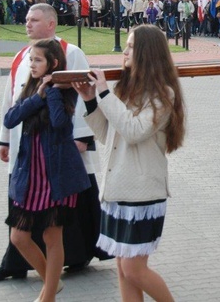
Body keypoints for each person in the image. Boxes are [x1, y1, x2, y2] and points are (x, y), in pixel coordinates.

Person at [0, 4, 109, 282]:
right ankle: (17, 264)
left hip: (61, 148)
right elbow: (11, 100)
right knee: (23, 209)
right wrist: (4, 139)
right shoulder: (21, 56)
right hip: (26, 149)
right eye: (27, 19)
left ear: (51, 24)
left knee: (61, 215)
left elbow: (82, 97)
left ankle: (74, 258)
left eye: (34, 19)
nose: (27, 24)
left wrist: (82, 139)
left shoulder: (70, 53)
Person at [72, 25, 184, 302]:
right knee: (123, 268)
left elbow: (134, 131)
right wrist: (90, 101)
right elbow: (107, 135)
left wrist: (105, 94)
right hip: (116, 188)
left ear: (147, 52)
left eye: (131, 46)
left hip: (142, 192)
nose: (124, 51)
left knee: (134, 269)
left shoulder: (163, 95)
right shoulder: (126, 88)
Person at [4, 39, 91, 302]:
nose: (32, 64)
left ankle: (48, 296)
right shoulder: (32, 87)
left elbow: (60, 123)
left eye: (37, 60)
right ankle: (52, 283)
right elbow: (10, 119)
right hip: (30, 176)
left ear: (53, 63)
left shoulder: (65, 89)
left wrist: (51, 90)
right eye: (31, 59)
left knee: (52, 236)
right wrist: (38, 94)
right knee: (19, 236)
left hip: (58, 176)